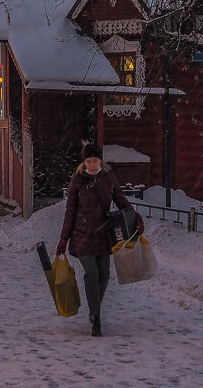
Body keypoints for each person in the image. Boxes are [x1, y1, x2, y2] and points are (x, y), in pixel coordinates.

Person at [57, 142, 142, 337]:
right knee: (92, 274)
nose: (92, 165)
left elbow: (121, 200)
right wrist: (64, 239)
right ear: (84, 162)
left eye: (95, 161)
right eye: (88, 161)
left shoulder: (108, 177)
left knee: (104, 275)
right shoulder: (78, 179)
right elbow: (70, 211)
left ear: (100, 161)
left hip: (104, 234)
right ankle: (96, 317)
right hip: (82, 234)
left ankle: (95, 306)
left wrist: (135, 217)